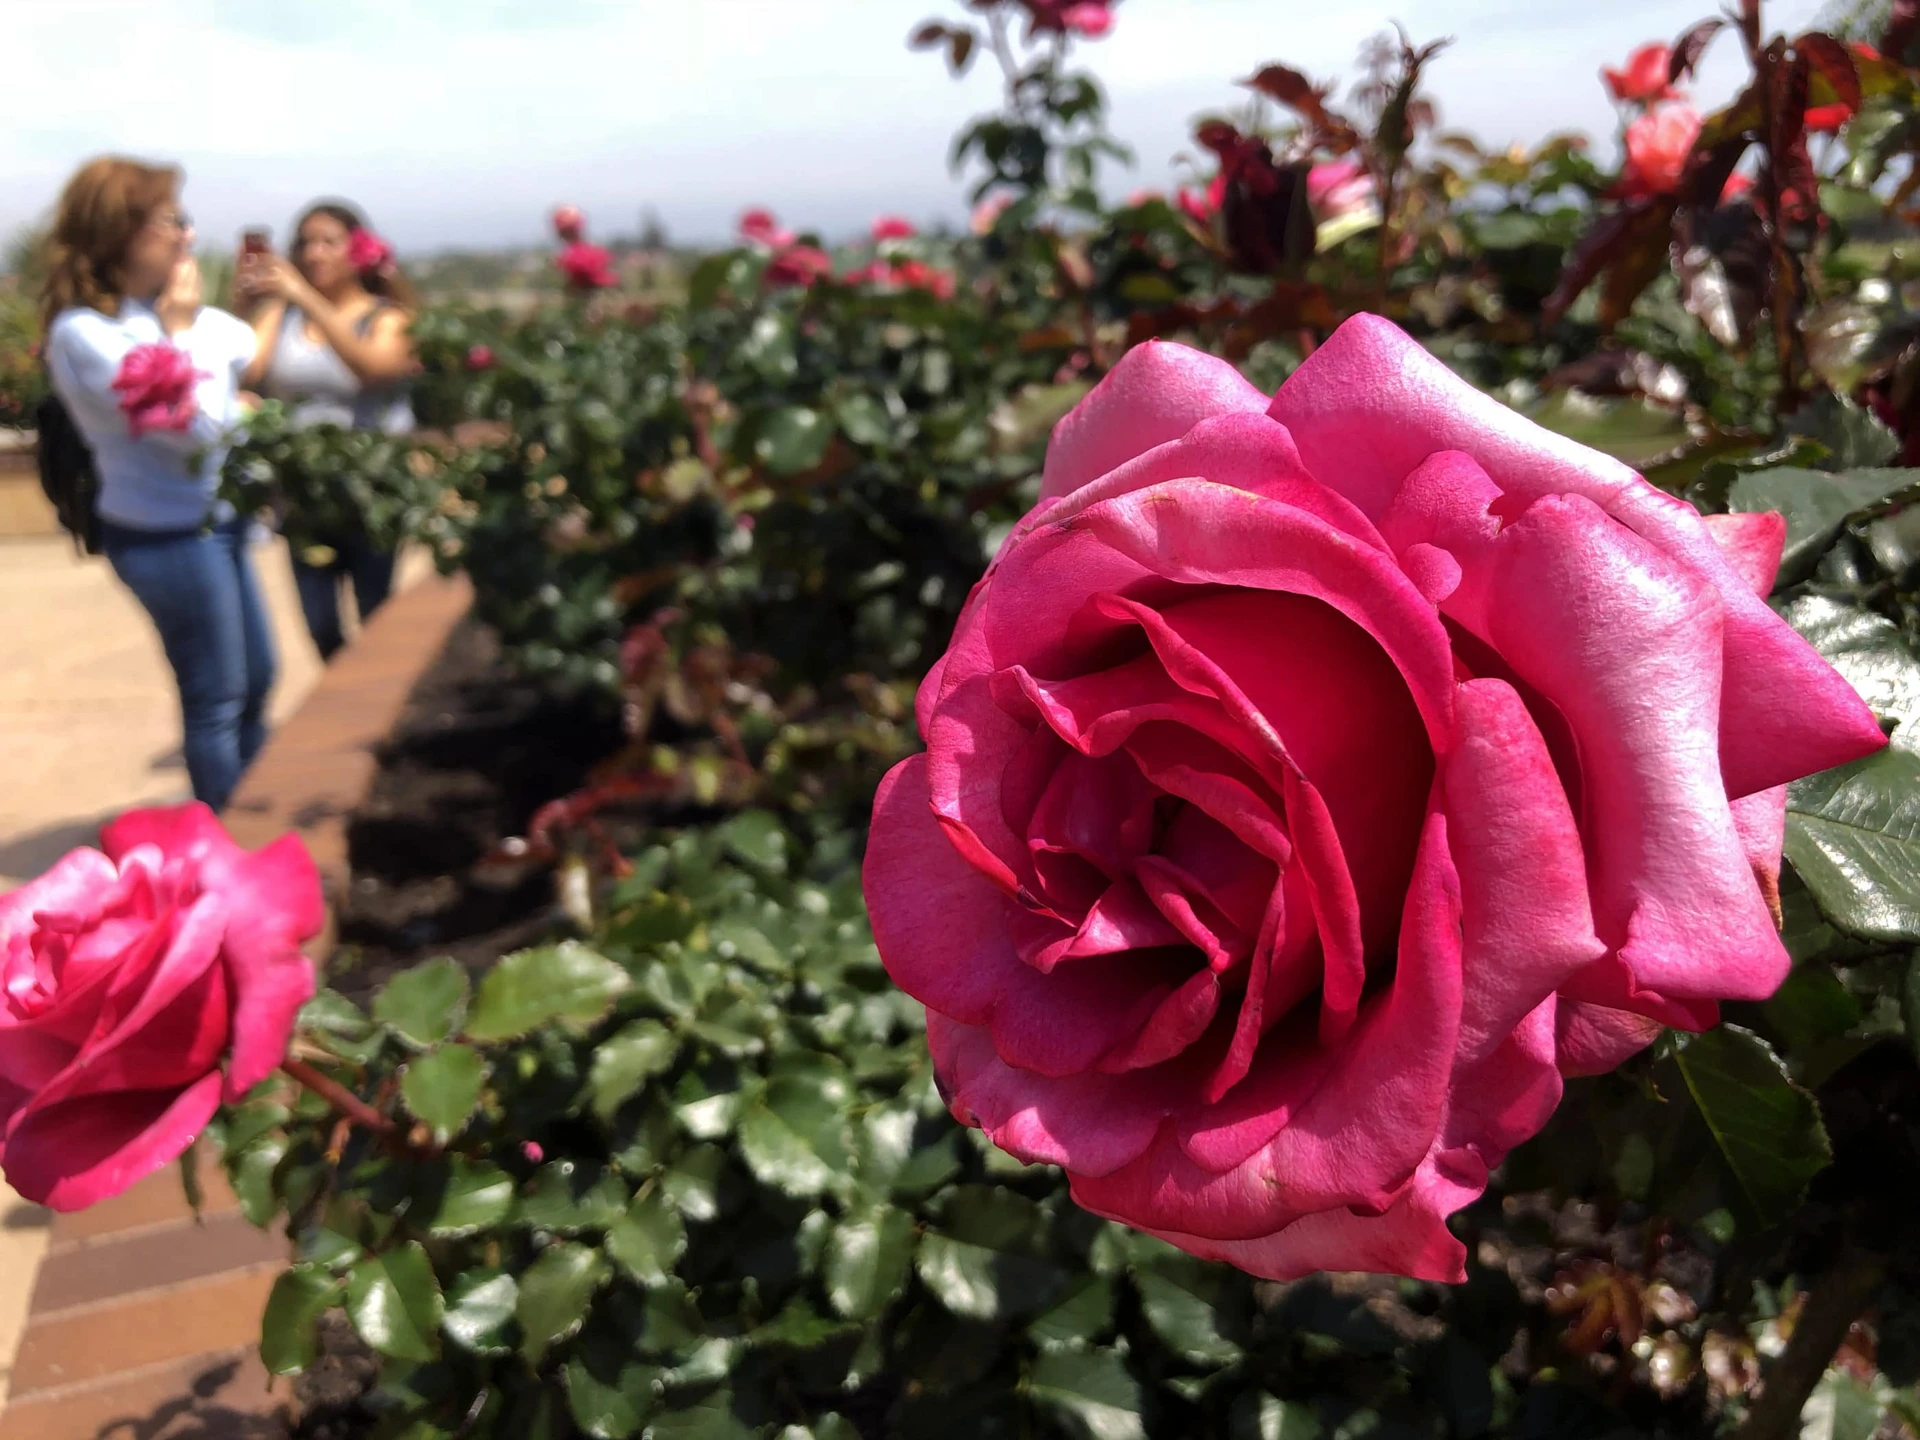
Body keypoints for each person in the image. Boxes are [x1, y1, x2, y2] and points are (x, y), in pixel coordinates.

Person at [41, 157, 271, 812]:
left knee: (258, 680)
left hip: (215, 524)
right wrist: (182, 334)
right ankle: (228, 843)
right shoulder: (86, 334)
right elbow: (203, 432)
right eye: (173, 221)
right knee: (217, 699)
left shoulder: (150, 316)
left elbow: (241, 346)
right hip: (167, 539)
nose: (188, 238)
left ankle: (251, 812)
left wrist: (195, 335)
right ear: (122, 230)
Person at [236, 200, 418, 661]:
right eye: (305, 243)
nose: (314, 253)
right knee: (319, 626)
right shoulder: (283, 316)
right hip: (303, 497)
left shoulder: (387, 317)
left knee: (378, 615)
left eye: (328, 242)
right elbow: (242, 371)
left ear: (357, 250)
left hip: (371, 494)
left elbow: (372, 369)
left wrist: (304, 298)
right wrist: (243, 304)